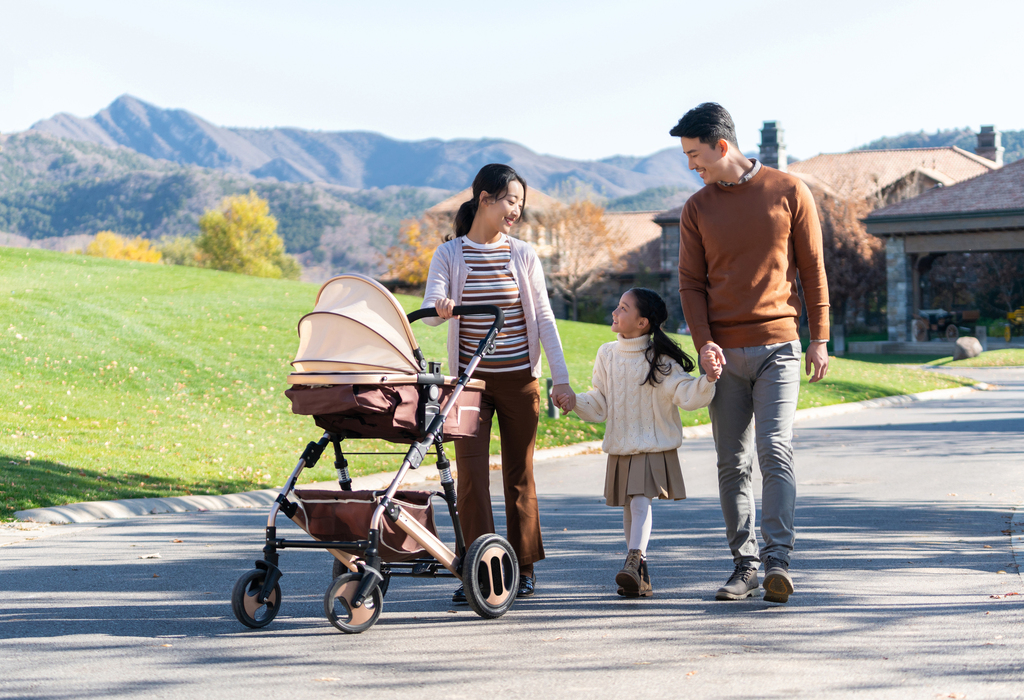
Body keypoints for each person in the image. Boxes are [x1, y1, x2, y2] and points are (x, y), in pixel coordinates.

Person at [671, 102, 830, 604]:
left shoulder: (789, 191)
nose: (692, 166)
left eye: (696, 155)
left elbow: (813, 269)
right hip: (724, 355)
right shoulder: (697, 209)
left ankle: (779, 561)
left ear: (722, 146)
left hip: (779, 347)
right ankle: (746, 564)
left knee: (774, 450)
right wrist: (704, 345)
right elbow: (691, 285)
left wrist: (820, 337)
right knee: (730, 463)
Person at [421, 163, 574, 602]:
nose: (516, 212)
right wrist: (442, 307)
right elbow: (430, 309)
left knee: (518, 475)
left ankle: (521, 569)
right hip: (467, 385)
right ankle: (479, 570)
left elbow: (543, 317)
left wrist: (559, 379)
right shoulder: (449, 254)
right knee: (470, 477)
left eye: (520, 205)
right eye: (510, 201)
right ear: (484, 198)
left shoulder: (521, 254)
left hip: (519, 380)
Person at [570, 288, 717, 597]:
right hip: (621, 445)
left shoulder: (660, 360)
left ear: (642, 323)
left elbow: (686, 394)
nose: (615, 312)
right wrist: (574, 401)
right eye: (618, 305)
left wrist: (709, 380)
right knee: (629, 507)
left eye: (623, 308)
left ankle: (634, 558)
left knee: (639, 502)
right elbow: (600, 402)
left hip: (652, 445)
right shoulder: (607, 354)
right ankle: (640, 576)